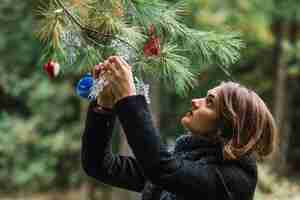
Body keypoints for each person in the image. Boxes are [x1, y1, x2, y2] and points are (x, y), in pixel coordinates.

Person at [81, 56, 277, 200]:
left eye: (209, 103)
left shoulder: (234, 181)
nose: (195, 101)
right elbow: (100, 166)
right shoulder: (183, 159)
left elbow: (160, 167)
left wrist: (128, 98)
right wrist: (105, 105)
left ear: (228, 125)